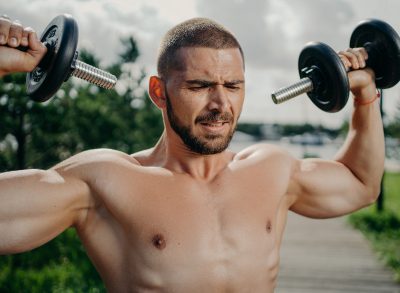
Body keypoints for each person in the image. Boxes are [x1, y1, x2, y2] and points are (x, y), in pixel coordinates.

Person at [0, 15, 384, 293]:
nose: (221, 104)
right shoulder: (106, 181)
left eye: (233, 85)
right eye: (199, 86)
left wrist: (366, 97)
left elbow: (361, 184)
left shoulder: (271, 170)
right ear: (158, 92)